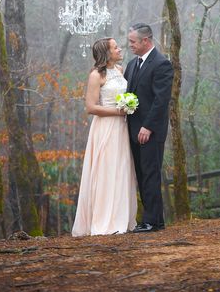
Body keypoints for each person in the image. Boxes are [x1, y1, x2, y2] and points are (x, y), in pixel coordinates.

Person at [72, 37, 137, 236]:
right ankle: (103, 220)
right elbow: (91, 107)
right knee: (106, 171)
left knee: (121, 169)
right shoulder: (96, 75)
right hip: (106, 127)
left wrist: (128, 106)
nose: (119, 49)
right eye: (115, 47)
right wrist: (119, 111)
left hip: (122, 128)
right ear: (107, 53)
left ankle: (121, 217)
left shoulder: (120, 71)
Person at [124, 23, 173, 232]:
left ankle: (152, 221)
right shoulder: (132, 64)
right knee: (142, 175)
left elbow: (161, 101)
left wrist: (148, 127)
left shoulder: (161, 64)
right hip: (133, 131)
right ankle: (151, 220)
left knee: (151, 174)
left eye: (133, 42)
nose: (130, 46)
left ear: (146, 41)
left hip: (150, 132)